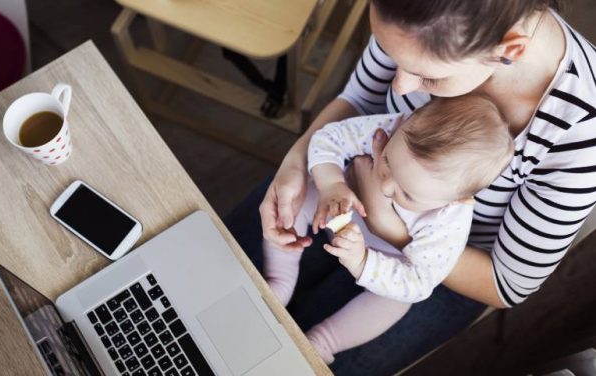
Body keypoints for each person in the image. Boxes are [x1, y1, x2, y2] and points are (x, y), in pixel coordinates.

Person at [224, 0, 596, 374]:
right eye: (390, 54)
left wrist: (388, 224)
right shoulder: (416, 12)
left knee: (292, 364)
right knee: (221, 285)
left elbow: (506, 283)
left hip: (444, 262)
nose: (400, 86)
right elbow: (358, 100)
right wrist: (295, 161)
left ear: (508, 50)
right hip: (347, 179)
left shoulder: (581, 132)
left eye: (428, 76)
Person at [263, 94, 514, 363]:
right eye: (388, 163)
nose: (384, 187)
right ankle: (280, 279)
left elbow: (419, 281)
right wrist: (331, 185)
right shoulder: (395, 127)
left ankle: (324, 342)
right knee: (297, 201)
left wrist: (363, 262)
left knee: (397, 301)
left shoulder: (450, 220)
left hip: (386, 258)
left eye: (407, 194)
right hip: (337, 206)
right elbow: (328, 139)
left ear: (455, 200)